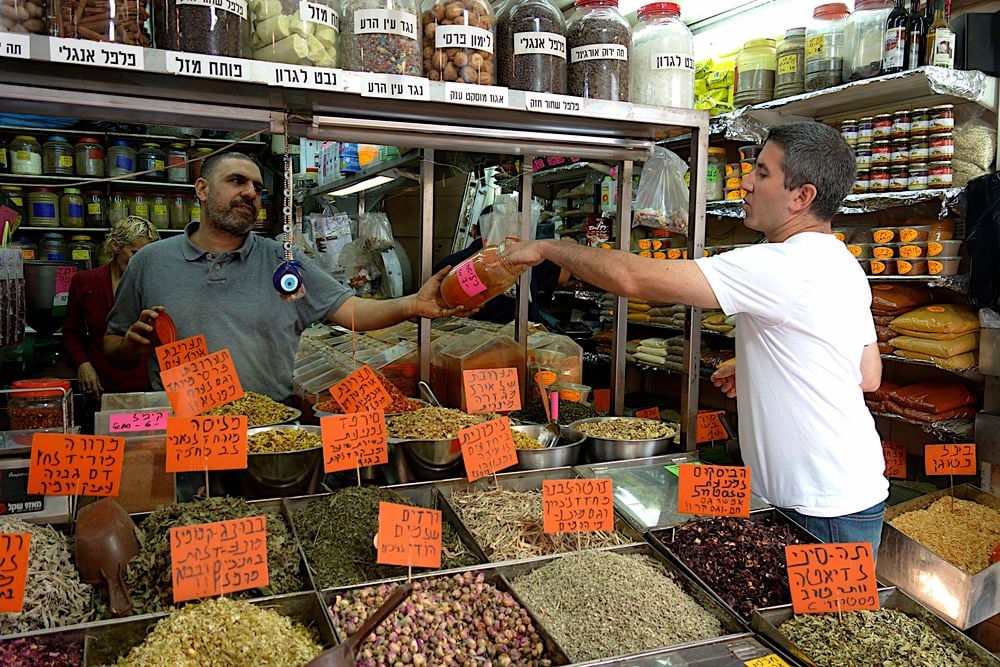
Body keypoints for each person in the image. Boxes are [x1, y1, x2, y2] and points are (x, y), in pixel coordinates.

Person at [503, 122, 889, 554]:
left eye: (761, 173)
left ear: (802, 197)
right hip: (848, 491)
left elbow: (631, 276)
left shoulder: (779, 264)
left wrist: (548, 248)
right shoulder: (841, 262)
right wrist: (761, 363)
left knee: (819, 621)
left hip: (818, 506)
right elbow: (866, 373)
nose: (745, 183)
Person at [104, 152, 467, 402]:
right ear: (202, 189)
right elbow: (112, 345)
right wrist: (128, 348)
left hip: (272, 426)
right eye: (236, 181)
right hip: (187, 431)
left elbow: (350, 310)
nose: (249, 192)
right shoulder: (150, 261)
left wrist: (412, 304)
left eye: (257, 188)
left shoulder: (283, 259)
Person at [63, 216, 161, 400]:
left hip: (145, 386)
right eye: (135, 253)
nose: (141, 261)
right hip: (100, 383)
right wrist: (83, 364)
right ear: (116, 246)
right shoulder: (85, 282)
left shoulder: (155, 284)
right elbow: (70, 333)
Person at [434, 207, 569, 324]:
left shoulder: (446, 265)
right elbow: (563, 275)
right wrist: (568, 244)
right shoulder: (527, 261)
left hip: (461, 342)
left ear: (474, 229)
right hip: (523, 338)